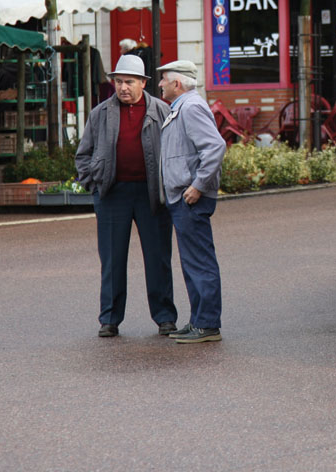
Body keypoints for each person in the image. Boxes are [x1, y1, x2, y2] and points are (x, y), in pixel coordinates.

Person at [75, 54, 176, 339]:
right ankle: (109, 319)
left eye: (129, 82)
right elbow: (83, 154)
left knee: (158, 259)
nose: (123, 88)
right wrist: (93, 184)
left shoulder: (162, 111)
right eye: (118, 82)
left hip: (151, 195)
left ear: (143, 83)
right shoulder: (100, 113)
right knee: (112, 259)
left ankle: (165, 317)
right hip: (112, 194)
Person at [157, 59, 226, 344]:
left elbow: (215, 147)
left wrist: (198, 186)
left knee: (199, 262)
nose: (159, 84)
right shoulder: (183, 107)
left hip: (190, 197)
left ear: (177, 83)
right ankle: (199, 320)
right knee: (192, 262)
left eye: (163, 79)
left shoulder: (191, 106)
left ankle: (207, 323)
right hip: (182, 196)